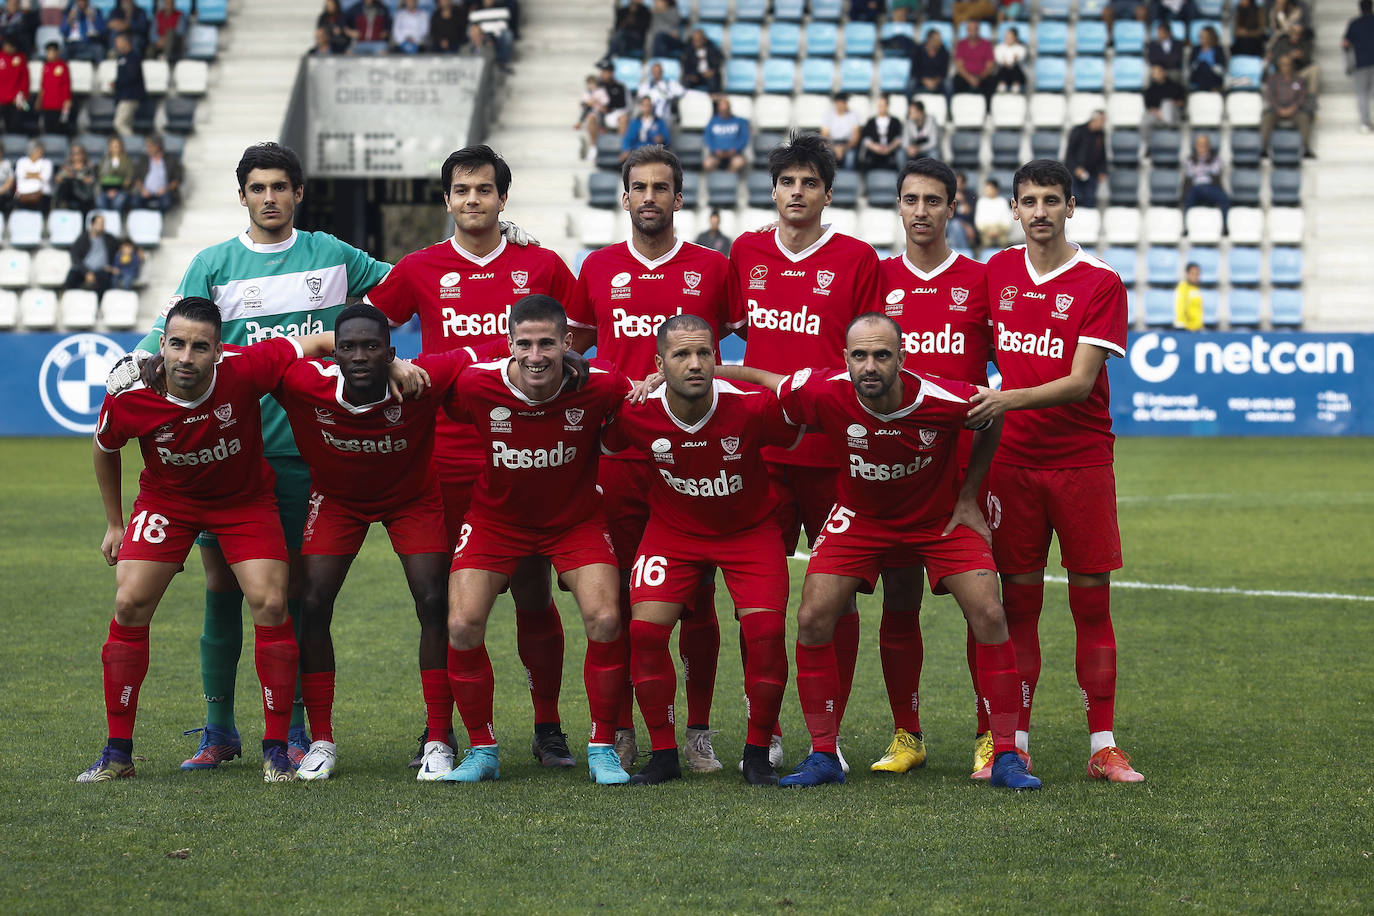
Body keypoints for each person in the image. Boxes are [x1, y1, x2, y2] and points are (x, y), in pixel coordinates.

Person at [109, 142, 393, 773]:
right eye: (258, 187)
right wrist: (132, 361)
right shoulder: (215, 264)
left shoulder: (335, 256)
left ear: (298, 193)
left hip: (303, 449)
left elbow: (405, 286)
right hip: (226, 451)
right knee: (219, 588)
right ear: (243, 194)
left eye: (281, 187)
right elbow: (170, 332)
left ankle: (290, 731)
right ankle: (218, 730)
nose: (270, 198)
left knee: (285, 592)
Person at [715, 314, 1036, 790]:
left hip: (936, 521)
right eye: (860, 356)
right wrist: (690, 374)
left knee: (990, 612)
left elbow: (993, 415)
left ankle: (1007, 755)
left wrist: (969, 495)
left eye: (882, 355)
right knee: (812, 617)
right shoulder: (824, 390)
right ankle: (823, 753)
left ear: (902, 360)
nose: (870, 366)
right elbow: (767, 379)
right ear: (845, 359)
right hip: (861, 519)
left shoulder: (941, 397)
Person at [363, 144, 581, 770]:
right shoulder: (422, 266)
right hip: (449, 457)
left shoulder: (541, 264)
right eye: (461, 191)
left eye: (484, 190)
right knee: (440, 599)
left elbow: (583, 338)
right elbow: (369, 326)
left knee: (533, 593)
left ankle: (548, 728)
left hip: (533, 452)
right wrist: (395, 361)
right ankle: (441, 732)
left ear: (502, 198)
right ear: (447, 200)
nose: (472, 201)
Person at [80, 298, 336, 784]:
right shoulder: (130, 393)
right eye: (177, 343)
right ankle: (117, 753)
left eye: (200, 347)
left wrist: (390, 362)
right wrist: (115, 523)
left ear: (219, 351)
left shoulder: (248, 366)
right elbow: (105, 447)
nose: (186, 357)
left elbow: (318, 342)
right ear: (162, 344)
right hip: (167, 502)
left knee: (270, 601)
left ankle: (276, 750)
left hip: (244, 502)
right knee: (130, 602)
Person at [968, 158, 1145, 784]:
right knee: (1018, 606)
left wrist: (1002, 398)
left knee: (1091, 604)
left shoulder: (1100, 281)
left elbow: (1079, 383)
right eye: (1028, 201)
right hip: (1011, 465)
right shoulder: (996, 273)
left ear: (1072, 207)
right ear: (1012, 210)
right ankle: (1011, 745)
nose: (1039, 211)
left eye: (1051, 200)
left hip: (1082, 464)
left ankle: (1103, 745)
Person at [567, 145, 739, 772]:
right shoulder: (596, 269)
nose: (648, 198)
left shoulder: (712, 270)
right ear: (623, 196)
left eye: (660, 188)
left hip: (694, 458)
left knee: (696, 599)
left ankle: (695, 731)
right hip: (618, 457)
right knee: (613, 601)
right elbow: (578, 352)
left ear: (679, 197)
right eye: (638, 187)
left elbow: (737, 344)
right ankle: (615, 729)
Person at [272, 305, 488, 782]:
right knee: (312, 601)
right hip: (337, 501)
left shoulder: (420, 380)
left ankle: (438, 737)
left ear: (392, 352)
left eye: (373, 346)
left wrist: (571, 358)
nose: (360, 356)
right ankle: (322, 740)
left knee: (435, 600)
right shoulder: (305, 382)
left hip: (412, 499)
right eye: (348, 346)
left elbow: (494, 349)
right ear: (334, 351)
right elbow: (240, 362)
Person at [726, 133, 882, 771]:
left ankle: (829, 731)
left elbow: (872, 355)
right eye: (787, 181)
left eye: (809, 182)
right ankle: (766, 730)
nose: (797, 192)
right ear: (773, 189)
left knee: (834, 599)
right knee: (756, 601)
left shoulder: (856, 258)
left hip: (834, 454)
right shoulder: (746, 252)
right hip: (760, 453)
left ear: (827, 192)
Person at [439, 295, 633, 786]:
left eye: (547, 343)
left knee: (607, 618)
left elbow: (640, 396)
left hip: (575, 521)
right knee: (461, 624)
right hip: (495, 521)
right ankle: (482, 749)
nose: (536, 355)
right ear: (509, 345)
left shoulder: (603, 385)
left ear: (568, 344)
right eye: (524, 343)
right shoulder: (476, 382)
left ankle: (603, 746)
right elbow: (428, 384)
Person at [602, 317, 794, 786]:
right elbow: (606, 439)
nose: (694, 364)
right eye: (681, 355)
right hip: (673, 532)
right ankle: (664, 754)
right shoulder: (636, 412)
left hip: (748, 531)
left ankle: (756, 754)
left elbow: (795, 413)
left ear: (717, 358)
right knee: (645, 632)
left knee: (766, 630)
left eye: (704, 353)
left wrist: (746, 376)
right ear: (658, 365)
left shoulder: (751, 408)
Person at [872, 157, 997, 778]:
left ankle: (989, 737)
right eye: (910, 199)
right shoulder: (875, 279)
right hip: (895, 470)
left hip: (962, 473)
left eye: (933, 200)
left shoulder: (981, 281)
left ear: (954, 206)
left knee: (981, 603)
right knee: (899, 597)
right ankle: (907, 734)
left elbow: (1011, 372)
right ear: (898, 206)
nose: (920, 211)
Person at [1260, 53, 1314, 156]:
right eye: (1283, 64)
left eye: (1288, 64)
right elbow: (1270, 97)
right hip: (1276, 110)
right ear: (1279, 66)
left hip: (1295, 110)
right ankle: (1263, 149)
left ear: (1292, 65)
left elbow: (1302, 97)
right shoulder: (1273, 80)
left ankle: (1306, 149)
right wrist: (1279, 109)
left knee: (1304, 118)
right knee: (1266, 119)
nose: (1286, 67)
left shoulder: (1299, 80)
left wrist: (1292, 108)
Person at [1182, 132, 1229, 232]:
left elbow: (1216, 172)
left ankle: (1225, 227)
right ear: (1196, 146)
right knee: (1186, 198)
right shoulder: (1190, 160)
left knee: (1224, 198)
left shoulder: (1215, 158)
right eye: (1199, 144)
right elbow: (1189, 176)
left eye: (1204, 144)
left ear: (1208, 146)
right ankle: (1185, 227)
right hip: (1196, 188)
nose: (1202, 147)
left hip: (1211, 187)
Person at [65, 211, 118, 291]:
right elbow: (75, 257)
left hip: (102, 270)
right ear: (92, 224)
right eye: (99, 223)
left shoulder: (109, 238)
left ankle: (100, 302)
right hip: (84, 270)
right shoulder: (83, 238)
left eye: (103, 223)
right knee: (72, 277)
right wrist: (86, 272)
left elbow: (124, 244)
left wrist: (137, 250)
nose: (102, 226)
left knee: (106, 279)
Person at [1065, 110, 1107, 208]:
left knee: (1090, 201)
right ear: (1094, 119)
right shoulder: (1078, 131)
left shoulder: (1100, 134)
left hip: (1092, 174)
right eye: (1102, 120)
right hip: (1075, 174)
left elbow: (1102, 155)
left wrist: (1102, 171)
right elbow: (1069, 154)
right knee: (1075, 201)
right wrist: (1076, 168)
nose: (1103, 123)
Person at [132, 134, 182, 212]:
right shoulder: (144, 159)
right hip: (146, 192)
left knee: (166, 202)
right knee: (135, 202)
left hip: (163, 192)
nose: (147, 149)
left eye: (149, 146)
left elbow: (178, 178)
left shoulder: (170, 160)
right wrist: (142, 189)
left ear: (157, 146)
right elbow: (136, 177)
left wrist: (166, 189)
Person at [953, 21, 996, 109]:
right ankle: (959, 109)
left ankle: (988, 110)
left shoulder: (986, 44)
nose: (972, 32)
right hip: (966, 76)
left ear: (978, 30)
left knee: (992, 81)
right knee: (956, 81)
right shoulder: (961, 44)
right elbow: (959, 66)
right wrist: (970, 78)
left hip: (982, 76)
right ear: (967, 31)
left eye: (975, 29)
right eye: (970, 29)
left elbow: (990, 65)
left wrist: (979, 78)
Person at [110, 30, 145, 139]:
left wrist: (117, 83)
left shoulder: (133, 57)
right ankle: (129, 148)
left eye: (119, 42)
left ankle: (132, 145)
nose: (117, 45)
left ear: (126, 42)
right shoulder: (121, 58)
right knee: (127, 125)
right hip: (123, 96)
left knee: (119, 123)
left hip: (130, 97)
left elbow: (132, 76)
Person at [1347, 0, 1374, 133]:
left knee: (1362, 94)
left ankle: (1365, 123)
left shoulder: (1355, 23)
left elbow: (1345, 43)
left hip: (1361, 63)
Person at [703, 96, 749, 172]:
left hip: (734, 154)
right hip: (716, 155)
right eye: (722, 109)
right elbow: (708, 138)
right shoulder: (713, 122)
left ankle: (730, 180)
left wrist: (735, 149)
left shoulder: (739, 121)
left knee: (739, 163)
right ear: (718, 109)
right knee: (707, 163)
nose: (724, 111)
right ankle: (716, 180)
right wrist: (715, 149)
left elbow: (744, 138)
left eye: (726, 109)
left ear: (729, 108)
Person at [1142, 63, 1186, 141]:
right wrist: (1158, 113)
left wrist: (1172, 105)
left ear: (1164, 72)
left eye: (1158, 72)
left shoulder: (1175, 86)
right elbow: (1148, 106)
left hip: (1173, 114)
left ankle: (1171, 139)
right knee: (1145, 119)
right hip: (1157, 115)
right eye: (1154, 73)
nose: (1156, 75)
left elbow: (1182, 102)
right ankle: (1145, 144)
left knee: (1167, 103)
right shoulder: (1150, 90)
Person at [859, 96, 903, 172]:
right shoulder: (871, 121)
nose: (881, 108)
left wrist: (889, 148)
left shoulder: (895, 121)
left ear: (887, 106)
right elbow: (866, 138)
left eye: (883, 106)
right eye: (879, 106)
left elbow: (899, 138)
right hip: (874, 152)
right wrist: (875, 147)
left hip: (890, 152)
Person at [37, 42, 72, 136]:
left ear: (57, 52)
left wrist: (67, 100)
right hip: (46, 105)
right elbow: (43, 85)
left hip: (59, 105)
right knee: (47, 130)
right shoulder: (46, 66)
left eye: (51, 52)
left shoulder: (63, 66)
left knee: (59, 130)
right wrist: (39, 100)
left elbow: (66, 85)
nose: (49, 54)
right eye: (48, 52)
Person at [621, 95, 670, 160]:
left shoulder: (659, 122)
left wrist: (662, 139)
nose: (647, 108)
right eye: (645, 105)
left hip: (654, 153)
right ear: (641, 107)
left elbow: (667, 139)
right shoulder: (635, 122)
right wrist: (626, 150)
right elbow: (628, 138)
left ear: (652, 106)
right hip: (637, 152)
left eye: (649, 105)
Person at [819, 93, 862, 169]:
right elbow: (824, 136)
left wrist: (844, 148)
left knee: (850, 158)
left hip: (848, 144)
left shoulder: (854, 115)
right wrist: (834, 148)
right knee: (826, 156)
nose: (842, 105)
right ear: (836, 103)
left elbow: (856, 137)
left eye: (844, 103)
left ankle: (848, 179)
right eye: (840, 103)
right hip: (832, 143)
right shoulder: (828, 115)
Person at [469, 0, 513, 67]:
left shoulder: (501, 7)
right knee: (474, 33)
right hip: (481, 35)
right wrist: (485, 36)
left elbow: (503, 25)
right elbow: (474, 26)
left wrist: (493, 35)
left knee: (507, 35)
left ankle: (503, 63)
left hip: (497, 34)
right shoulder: (476, 8)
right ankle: (473, 61)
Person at [97, 134, 134, 212]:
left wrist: (116, 190)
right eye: (113, 146)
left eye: (117, 146)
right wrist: (109, 191)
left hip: (122, 190)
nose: (116, 148)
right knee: (100, 201)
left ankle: (117, 221)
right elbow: (101, 177)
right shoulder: (104, 161)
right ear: (109, 147)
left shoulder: (127, 160)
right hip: (106, 190)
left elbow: (129, 177)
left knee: (118, 201)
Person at [909, 28, 951, 96]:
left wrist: (935, 81)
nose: (940, 41)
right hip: (921, 79)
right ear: (929, 40)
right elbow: (914, 71)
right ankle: (910, 106)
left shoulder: (944, 51)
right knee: (911, 83)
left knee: (948, 84)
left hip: (937, 80)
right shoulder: (918, 50)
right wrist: (925, 81)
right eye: (937, 39)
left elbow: (944, 72)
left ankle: (949, 106)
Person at [14, 141, 54, 213]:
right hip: (23, 194)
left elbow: (46, 177)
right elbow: (20, 175)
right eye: (38, 150)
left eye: (41, 150)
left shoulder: (47, 162)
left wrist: (28, 174)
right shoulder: (22, 161)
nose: (40, 152)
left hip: (41, 195)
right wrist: (38, 174)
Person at [56, 143, 97, 212]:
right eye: (73, 153)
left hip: (83, 196)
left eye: (78, 153)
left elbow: (90, 180)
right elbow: (58, 179)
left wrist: (75, 176)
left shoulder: (89, 168)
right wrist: (66, 173)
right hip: (68, 196)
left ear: (83, 154)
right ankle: (62, 205)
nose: (75, 156)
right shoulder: (67, 167)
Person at [680, 28, 722, 93]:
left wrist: (713, 70)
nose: (697, 42)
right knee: (686, 83)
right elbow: (684, 64)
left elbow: (719, 59)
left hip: (708, 75)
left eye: (699, 40)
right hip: (695, 75)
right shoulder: (688, 51)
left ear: (704, 40)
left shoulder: (712, 48)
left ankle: (714, 101)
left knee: (714, 82)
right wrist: (690, 75)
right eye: (695, 40)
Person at [974, 177, 1013, 248]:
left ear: (996, 189)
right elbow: (978, 222)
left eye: (989, 188)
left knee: (1003, 244)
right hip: (986, 232)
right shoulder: (981, 202)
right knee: (986, 243)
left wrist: (998, 231)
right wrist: (988, 231)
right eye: (986, 188)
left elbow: (1007, 221)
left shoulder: (1002, 202)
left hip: (1001, 232)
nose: (987, 190)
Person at [0, 35, 26, 134]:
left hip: (15, 100)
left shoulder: (20, 58)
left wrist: (21, 98)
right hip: (1, 99)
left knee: (14, 126)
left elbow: (24, 80)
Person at [1189, 25, 1227, 93]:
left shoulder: (1218, 49)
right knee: (1203, 65)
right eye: (1200, 36)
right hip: (1198, 75)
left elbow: (1221, 67)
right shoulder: (1196, 49)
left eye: (1203, 37)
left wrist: (1211, 67)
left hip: (1213, 76)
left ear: (1210, 37)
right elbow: (1191, 65)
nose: (1201, 39)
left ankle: (1203, 91)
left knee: (1206, 67)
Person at [993, 27, 1027, 92]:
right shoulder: (999, 47)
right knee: (1003, 69)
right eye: (1006, 36)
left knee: (1015, 68)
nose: (1007, 38)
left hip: (1015, 71)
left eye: (1010, 37)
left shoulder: (1020, 48)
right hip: (1003, 69)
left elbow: (1019, 58)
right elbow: (999, 59)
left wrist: (1011, 61)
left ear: (1015, 38)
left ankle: (1016, 85)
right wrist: (1007, 62)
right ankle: (1001, 85)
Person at [1174, 262, 1203, 330]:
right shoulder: (1183, 288)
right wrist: (1183, 326)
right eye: (1193, 274)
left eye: (1197, 274)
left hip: (1197, 328)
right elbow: (1180, 308)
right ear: (1187, 274)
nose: (1195, 277)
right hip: (1187, 329)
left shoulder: (1196, 289)